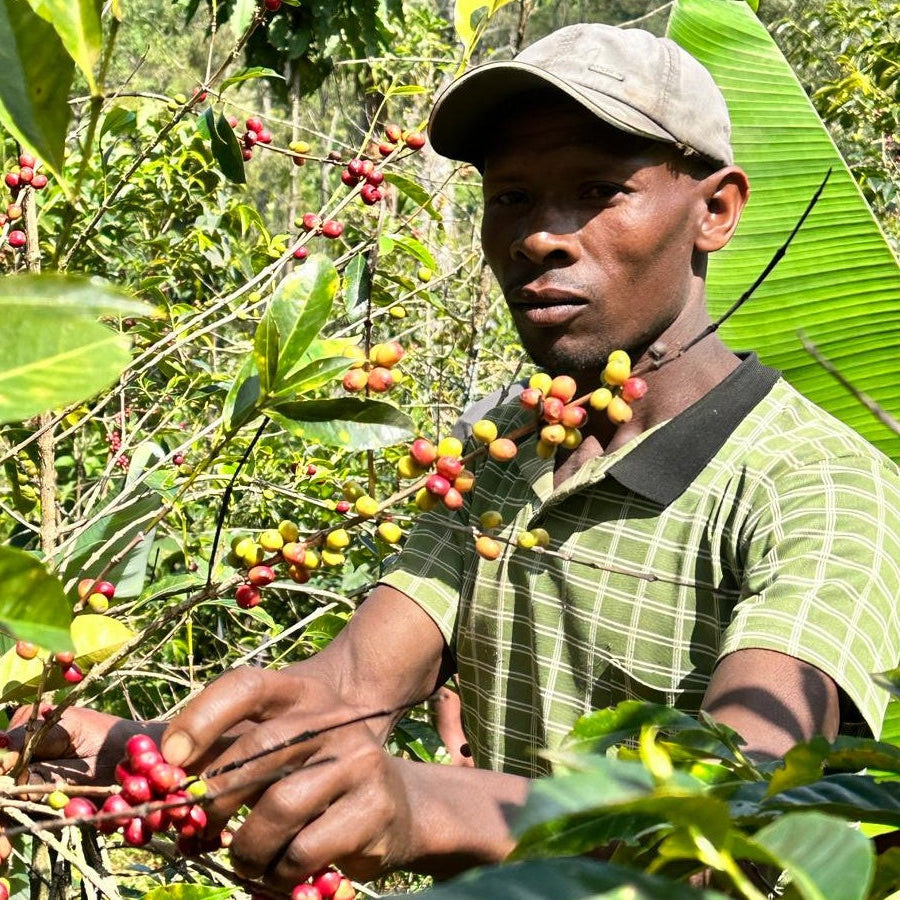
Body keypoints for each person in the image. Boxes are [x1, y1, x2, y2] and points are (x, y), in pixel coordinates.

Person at [8, 22, 900, 890]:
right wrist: (142, 753)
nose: (539, 237)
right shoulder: (508, 446)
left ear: (715, 210)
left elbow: (731, 815)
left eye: (598, 190)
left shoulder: (820, 487)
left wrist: (424, 806)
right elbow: (351, 687)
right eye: (511, 198)